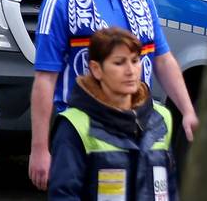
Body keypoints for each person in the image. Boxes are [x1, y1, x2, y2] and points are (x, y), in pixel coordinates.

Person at [27, 0, 198, 191]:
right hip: (86, 135)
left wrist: (188, 111)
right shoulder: (61, 2)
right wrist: (40, 148)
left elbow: (162, 58)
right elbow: (45, 80)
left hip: (139, 126)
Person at [48, 27, 180, 201]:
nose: (130, 71)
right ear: (96, 69)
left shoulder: (161, 118)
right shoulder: (75, 125)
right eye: (119, 63)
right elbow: (64, 195)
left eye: (135, 60)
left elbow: (171, 189)